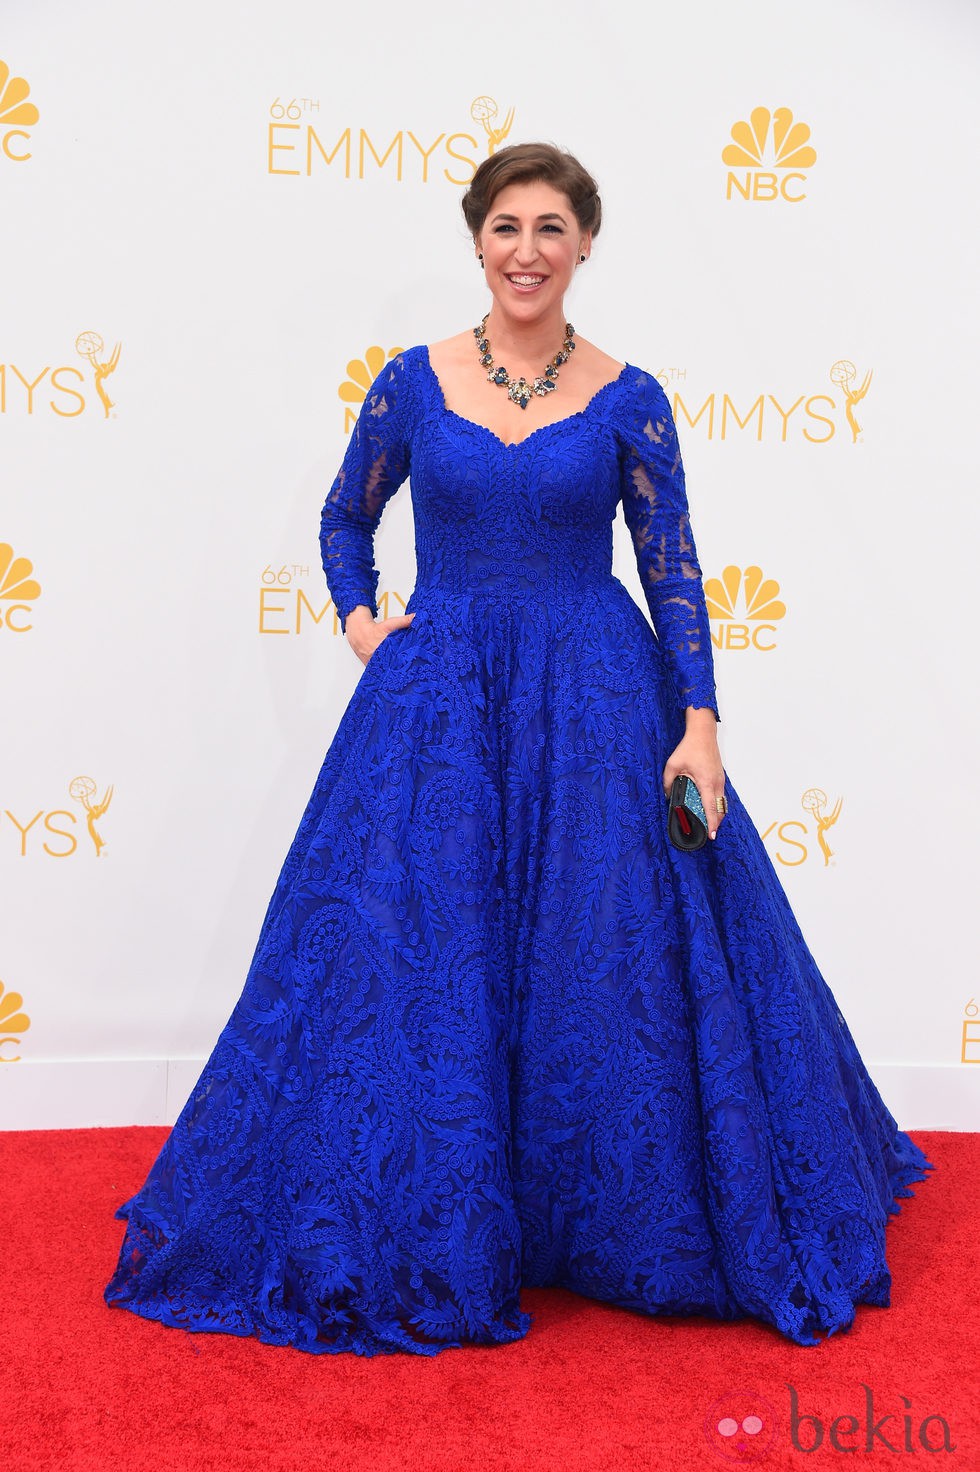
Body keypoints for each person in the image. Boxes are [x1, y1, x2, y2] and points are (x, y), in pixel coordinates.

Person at [104, 142, 933, 1357]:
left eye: (550, 226)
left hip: (596, 692)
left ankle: (589, 1219)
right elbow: (345, 513)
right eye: (504, 226)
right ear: (475, 240)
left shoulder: (629, 393)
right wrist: (359, 620)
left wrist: (697, 721)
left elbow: (670, 565)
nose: (526, 249)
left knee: (598, 951)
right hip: (437, 699)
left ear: (585, 242)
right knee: (419, 956)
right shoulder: (410, 380)